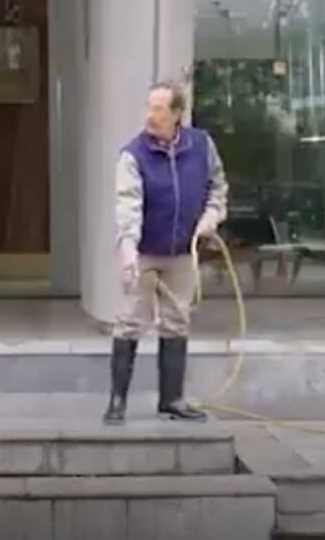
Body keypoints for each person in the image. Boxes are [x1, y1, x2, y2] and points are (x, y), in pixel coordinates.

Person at [105, 81, 228, 426]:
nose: (151, 115)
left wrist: (210, 219)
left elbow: (217, 187)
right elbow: (127, 205)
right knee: (129, 321)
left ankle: (172, 400)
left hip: (181, 253)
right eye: (149, 107)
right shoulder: (133, 155)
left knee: (177, 321)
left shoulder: (202, 146)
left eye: (159, 109)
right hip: (144, 253)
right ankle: (117, 402)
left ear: (177, 114)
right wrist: (128, 248)